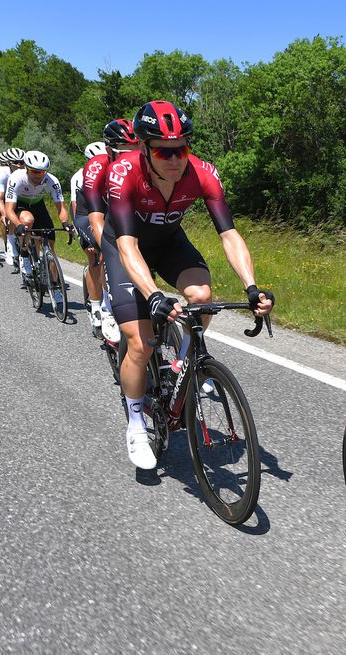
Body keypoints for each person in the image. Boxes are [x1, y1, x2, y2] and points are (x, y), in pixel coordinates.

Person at [102, 100, 273, 470]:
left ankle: (181, 363)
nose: (174, 158)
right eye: (164, 151)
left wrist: (252, 287)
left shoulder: (203, 173)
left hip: (168, 243)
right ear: (144, 149)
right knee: (139, 343)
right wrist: (153, 295)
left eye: (182, 149)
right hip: (124, 249)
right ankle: (135, 424)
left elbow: (229, 234)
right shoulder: (123, 174)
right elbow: (128, 246)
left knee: (202, 296)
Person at [81, 119, 142, 340]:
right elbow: (96, 214)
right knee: (104, 256)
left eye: (138, 151)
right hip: (95, 213)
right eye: (125, 152)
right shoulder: (97, 166)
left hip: (122, 214)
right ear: (109, 150)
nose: (133, 158)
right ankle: (103, 307)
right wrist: (107, 248)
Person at [5, 150, 69, 303]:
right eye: (34, 171)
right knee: (27, 220)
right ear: (26, 168)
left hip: (38, 205)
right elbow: (8, 209)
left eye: (41, 172)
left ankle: (54, 286)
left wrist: (66, 223)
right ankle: (25, 254)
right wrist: (18, 225)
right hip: (20, 204)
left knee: (50, 245)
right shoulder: (16, 178)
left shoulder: (51, 181)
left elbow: (61, 207)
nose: (37, 175)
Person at [72, 141, 107, 334]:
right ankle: (95, 307)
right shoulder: (79, 176)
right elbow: (78, 209)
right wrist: (85, 236)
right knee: (97, 257)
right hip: (85, 215)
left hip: (106, 213)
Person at [0, 148, 25, 268]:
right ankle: (8, 245)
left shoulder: (26, 171)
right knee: (6, 220)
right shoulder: (2, 173)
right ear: (10, 163)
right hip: (4, 197)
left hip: (19, 197)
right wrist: (5, 214)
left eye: (22, 162)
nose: (20, 165)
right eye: (17, 163)